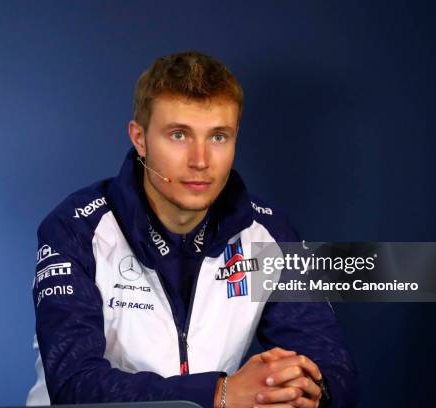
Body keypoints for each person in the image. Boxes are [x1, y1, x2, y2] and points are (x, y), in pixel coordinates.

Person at [27, 51, 358, 408]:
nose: (200, 161)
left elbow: (335, 370)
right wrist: (220, 394)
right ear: (139, 138)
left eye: (218, 137)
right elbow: (74, 384)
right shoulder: (75, 229)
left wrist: (303, 390)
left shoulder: (269, 232)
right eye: (179, 135)